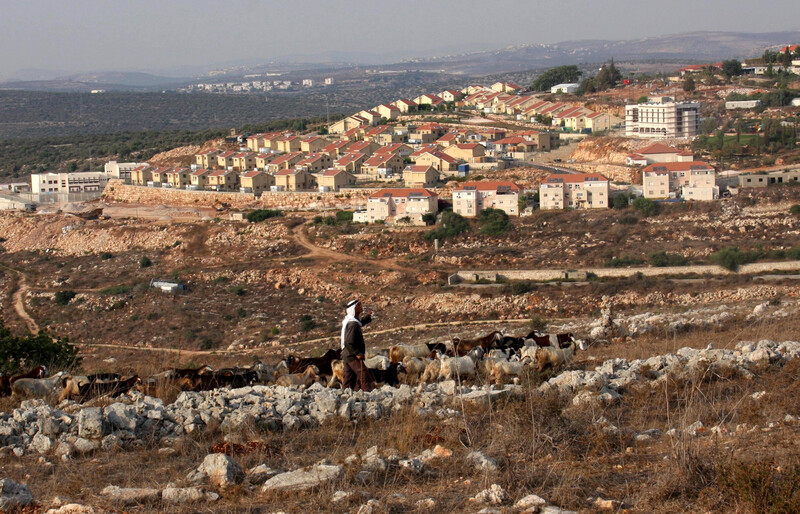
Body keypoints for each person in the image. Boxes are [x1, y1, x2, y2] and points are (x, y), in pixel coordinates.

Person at [340, 299, 374, 391]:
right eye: (359, 305)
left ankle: (344, 397)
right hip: (351, 354)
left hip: (347, 354)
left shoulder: (352, 321)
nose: (361, 307)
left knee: (349, 378)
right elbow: (349, 341)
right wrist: (357, 353)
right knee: (364, 375)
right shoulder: (352, 324)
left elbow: (359, 323)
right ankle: (370, 397)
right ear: (354, 308)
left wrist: (367, 317)